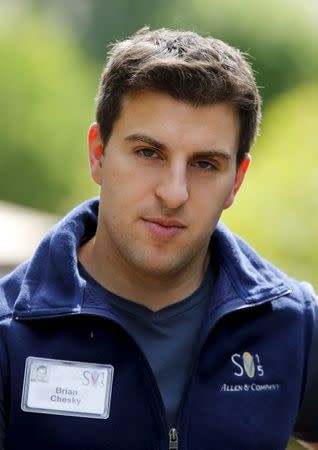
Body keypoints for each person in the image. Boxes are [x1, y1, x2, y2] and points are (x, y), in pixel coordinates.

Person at [0, 27, 317, 450]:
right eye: (149, 153)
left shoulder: (295, 326)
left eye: (205, 164)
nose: (173, 192)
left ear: (236, 181)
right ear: (98, 154)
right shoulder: (9, 334)